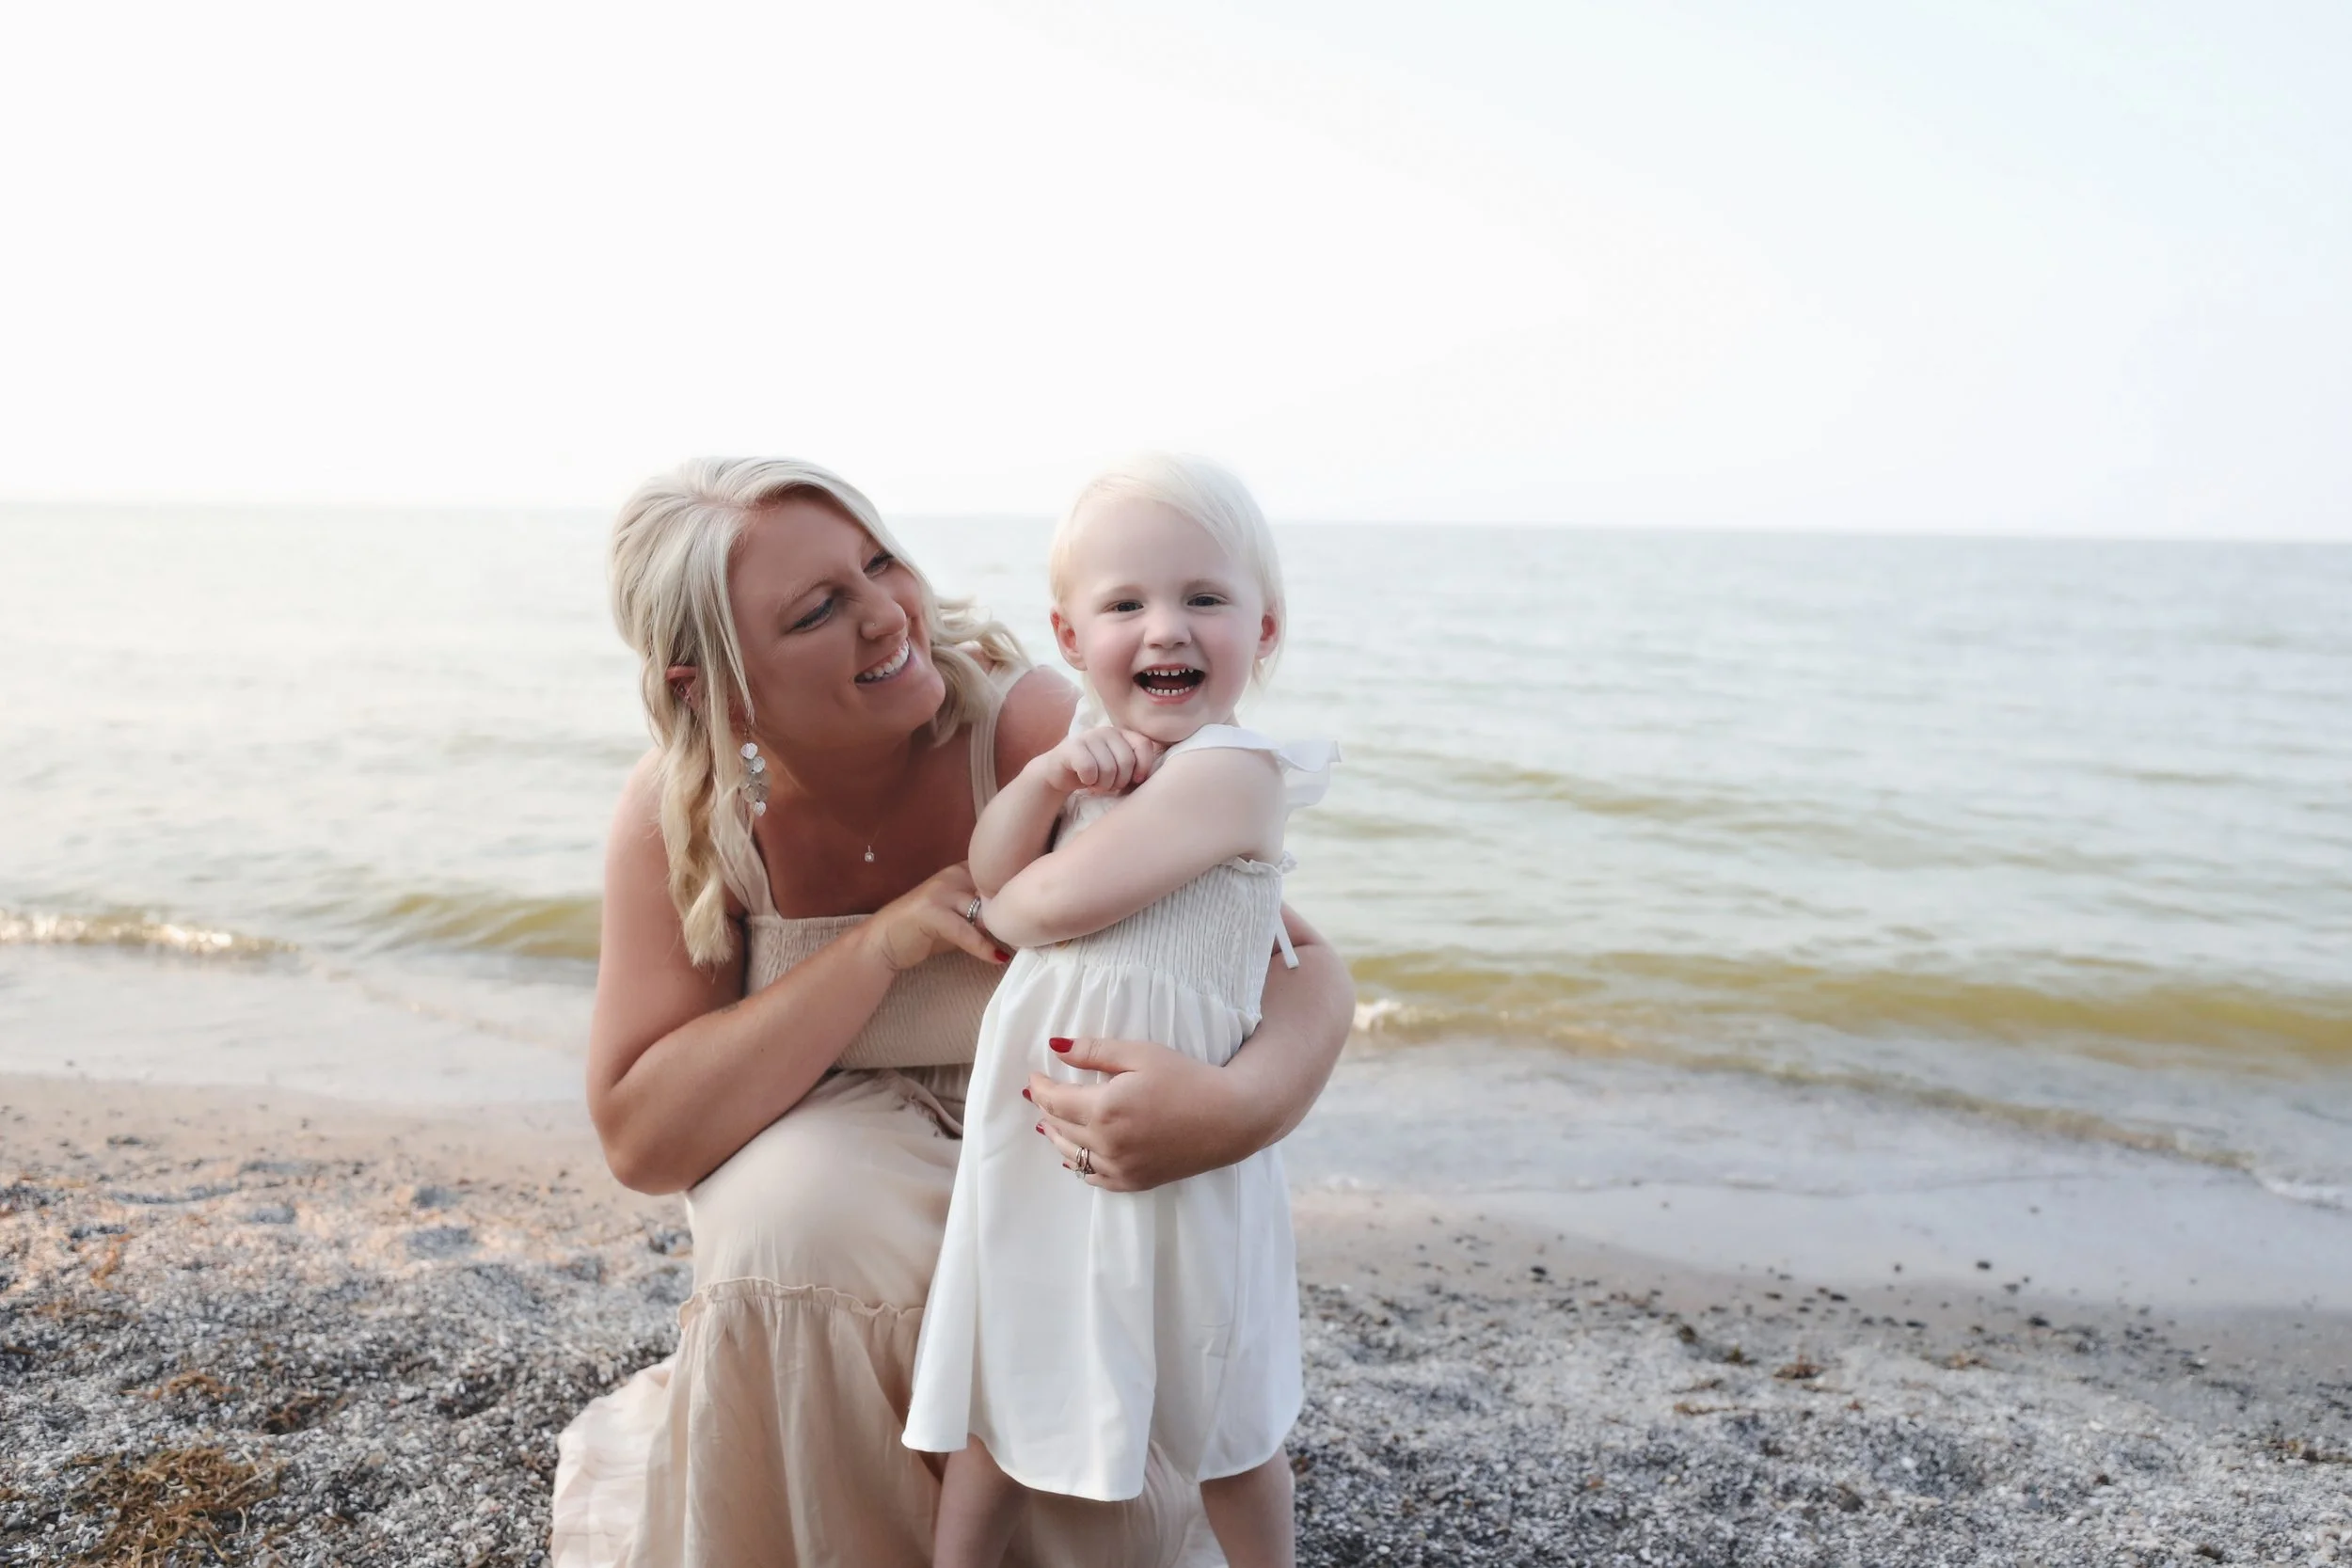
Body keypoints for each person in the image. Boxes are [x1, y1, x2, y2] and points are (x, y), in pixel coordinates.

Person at [548, 457, 1353, 1568]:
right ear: (718, 689)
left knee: (1044, 1258)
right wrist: (880, 946)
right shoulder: (684, 814)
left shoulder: (1038, 734)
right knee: (800, 1217)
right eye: (819, 608)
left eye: (879, 562)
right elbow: (642, 1133)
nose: (886, 615)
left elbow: (1291, 958)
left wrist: (1233, 1109)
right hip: (835, 1147)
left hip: (1038, 1136)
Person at [903, 455, 1330, 1568]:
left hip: (1179, 1129)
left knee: (1220, 1403)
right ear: (1067, 633)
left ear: (1264, 628)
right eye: (1125, 603)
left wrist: (1027, 867)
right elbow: (993, 857)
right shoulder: (1098, 772)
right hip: (1048, 1137)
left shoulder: (1235, 771)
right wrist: (1047, 781)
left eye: (1204, 598)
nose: (1164, 630)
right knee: (1010, 1375)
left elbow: (1031, 902)